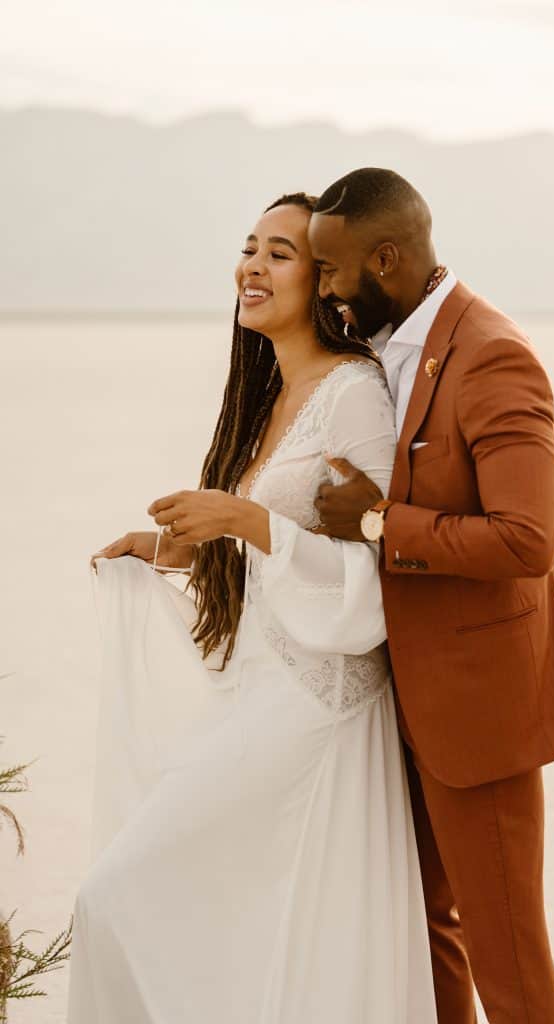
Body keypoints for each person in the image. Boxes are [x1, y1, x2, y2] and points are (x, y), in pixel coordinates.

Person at [66, 192, 438, 1023]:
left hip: (318, 707)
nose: (252, 267)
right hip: (256, 694)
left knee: (117, 892)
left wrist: (248, 519)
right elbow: (272, 552)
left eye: (278, 253)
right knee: (216, 921)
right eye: (248, 247)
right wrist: (175, 548)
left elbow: (383, 574)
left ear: (322, 281)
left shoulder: (354, 394)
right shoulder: (268, 394)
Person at [309, 167, 554, 1024]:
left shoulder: (493, 355)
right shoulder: (384, 352)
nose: (325, 291)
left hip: (481, 709)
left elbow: (528, 539)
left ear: (386, 259)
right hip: (400, 701)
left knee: (505, 949)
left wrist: (375, 525)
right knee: (427, 930)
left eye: (331, 270)